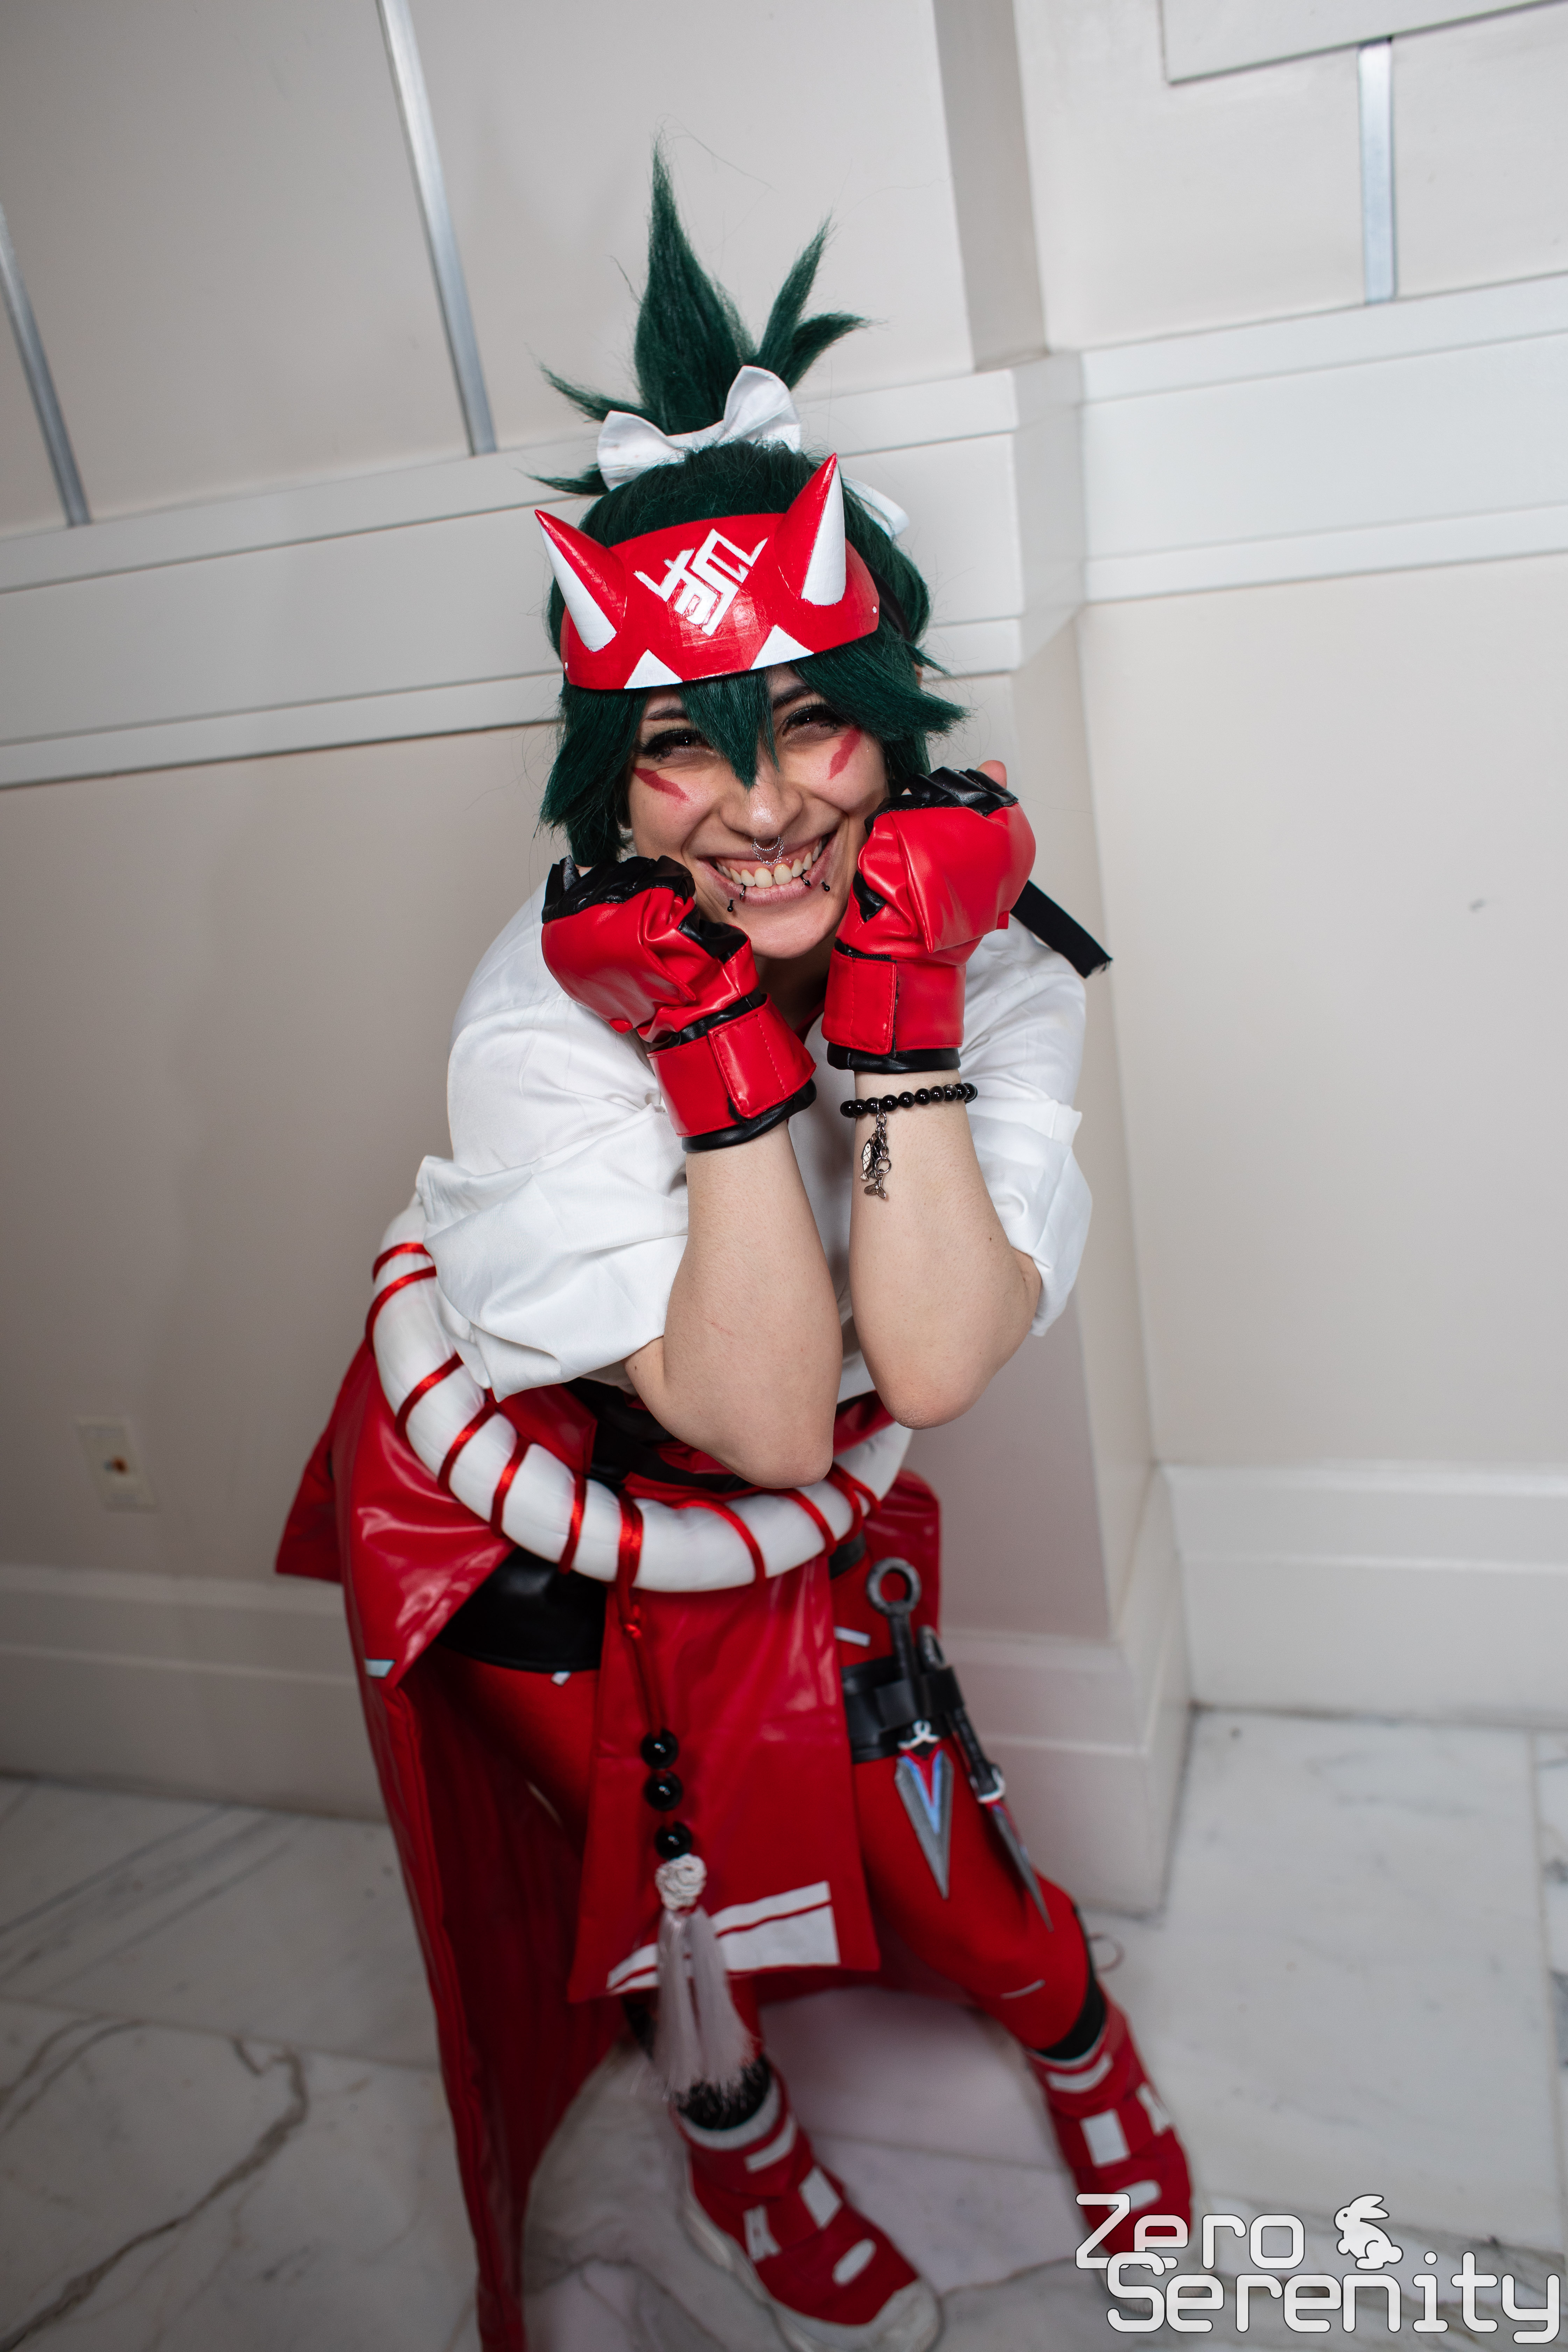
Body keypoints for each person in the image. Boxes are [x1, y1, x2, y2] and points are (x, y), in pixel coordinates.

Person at [279, 159, 1190, 2352]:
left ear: (898, 724)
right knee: (665, 1886)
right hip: (522, 1509)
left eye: (815, 726)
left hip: (768, 1501)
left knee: (941, 1862)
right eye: (686, 748)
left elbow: (926, 1369)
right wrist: (710, 1049)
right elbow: (774, 1409)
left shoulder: (993, 963)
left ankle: (1080, 2041)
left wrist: (898, 1007)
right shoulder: (540, 1012)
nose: (765, 809)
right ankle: (737, 2136)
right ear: (614, 780)